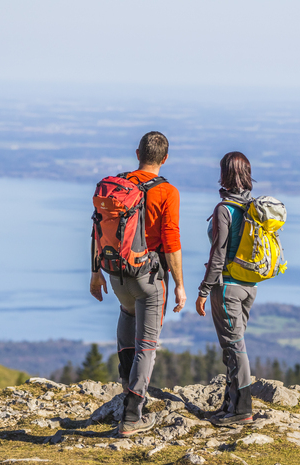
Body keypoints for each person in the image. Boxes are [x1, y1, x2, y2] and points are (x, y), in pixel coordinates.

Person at [90, 131, 187, 435]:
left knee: (127, 320)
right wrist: (180, 285)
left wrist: (95, 273)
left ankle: (126, 390)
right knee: (147, 344)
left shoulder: (119, 185)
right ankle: (133, 416)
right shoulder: (168, 192)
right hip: (149, 277)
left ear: (137, 154)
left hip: (116, 274)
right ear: (165, 158)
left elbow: (97, 229)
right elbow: (171, 242)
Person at [195, 151, 257, 426]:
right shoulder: (253, 207)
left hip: (227, 287)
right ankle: (231, 404)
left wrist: (204, 290)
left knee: (234, 346)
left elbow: (218, 255)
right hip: (249, 287)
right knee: (233, 346)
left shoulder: (225, 209)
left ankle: (242, 409)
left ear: (224, 175)